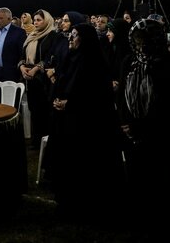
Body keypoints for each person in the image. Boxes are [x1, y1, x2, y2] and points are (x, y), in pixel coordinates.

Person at [48, 23, 124, 219]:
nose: (70, 39)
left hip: (86, 126)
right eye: (70, 35)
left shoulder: (95, 64)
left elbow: (95, 96)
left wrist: (70, 103)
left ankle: (85, 205)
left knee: (83, 167)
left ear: (86, 39)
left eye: (75, 35)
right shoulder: (70, 58)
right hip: (66, 121)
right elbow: (62, 82)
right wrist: (57, 99)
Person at [117, 19, 170, 240]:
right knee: (136, 178)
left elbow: (167, 104)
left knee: (159, 180)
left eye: (146, 39)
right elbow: (121, 94)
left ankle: (160, 223)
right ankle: (138, 221)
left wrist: (140, 126)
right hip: (131, 133)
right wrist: (125, 123)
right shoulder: (128, 61)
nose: (142, 44)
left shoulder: (168, 64)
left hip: (158, 134)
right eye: (138, 39)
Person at [19, 10, 67, 148]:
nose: (36, 22)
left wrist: (36, 68)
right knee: (34, 109)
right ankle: (35, 141)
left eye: (39, 20)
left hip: (43, 80)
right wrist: (22, 67)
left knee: (43, 110)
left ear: (46, 21)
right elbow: (22, 55)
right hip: (29, 78)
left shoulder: (53, 36)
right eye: (34, 20)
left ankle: (45, 141)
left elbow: (51, 57)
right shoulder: (32, 35)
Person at [0, 7, 26, 82]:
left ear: (9, 19)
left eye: (0, 18)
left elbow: (22, 54)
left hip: (11, 75)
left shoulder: (19, 32)